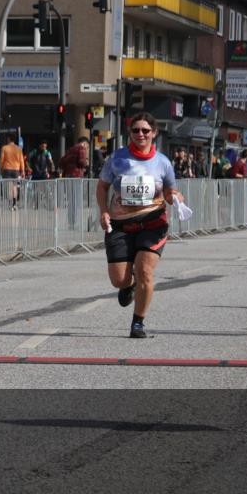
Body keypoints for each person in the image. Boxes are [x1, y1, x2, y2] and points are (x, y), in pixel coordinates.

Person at [97, 112, 181, 339]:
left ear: (154, 133)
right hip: (120, 225)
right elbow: (102, 186)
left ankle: (138, 323)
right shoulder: (117, 159)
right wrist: (103, 211)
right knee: (119, 280)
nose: (141, 134)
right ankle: (129, 284)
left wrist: (177, 200)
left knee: (145, 271)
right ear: (130, 133)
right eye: (136, 130)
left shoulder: (162, 162)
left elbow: (169, 191)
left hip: (152, 222)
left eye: (145, 130)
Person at [0, 134, 26, 207]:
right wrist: (23, 171)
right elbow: (21, 161)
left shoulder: (4, 148)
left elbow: (2, 160)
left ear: (8, 139)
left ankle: (9, 203)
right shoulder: (19, 149)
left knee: (8, 186)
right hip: (16, 170)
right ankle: (14, 204)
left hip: (7, 169)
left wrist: (1, 169)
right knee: (14, 186)